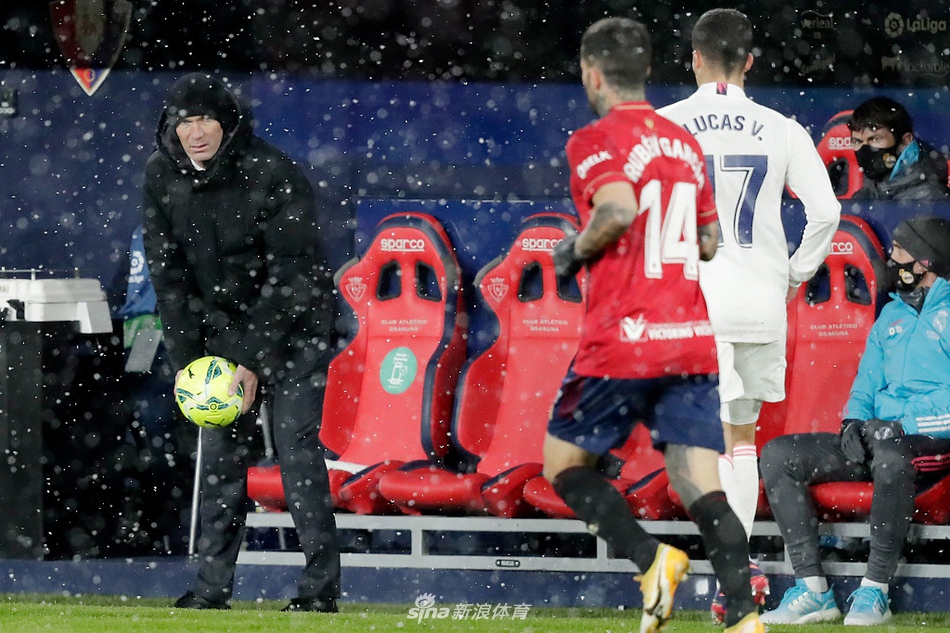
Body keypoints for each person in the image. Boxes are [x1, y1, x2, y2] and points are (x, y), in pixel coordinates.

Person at [545, 17, 764, 633]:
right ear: (644, 71)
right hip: (689, 339)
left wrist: (575, 251)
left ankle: (652, 560)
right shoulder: (682, 143)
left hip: (625, 338)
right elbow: (710, 241)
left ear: (592, 75)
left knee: (562, 466)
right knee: (699, 484)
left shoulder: (595, 139)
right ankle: (743, 615)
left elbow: (617, 207)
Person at [657, 8, 841, 622]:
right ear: (750, 62)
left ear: (694, 59)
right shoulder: (781, 128)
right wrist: (791, 275)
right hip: (759, 303)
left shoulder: (663, 126)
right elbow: (827, 214)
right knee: (740, 438)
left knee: (695, 443)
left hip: (692, 305)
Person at [142, 73, 341, 612]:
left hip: (296, 330)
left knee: (297, 455)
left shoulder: (274, 172)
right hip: (221, 335)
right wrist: (191, 367)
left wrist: (250, 359)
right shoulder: (160, 176)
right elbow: (170, 280)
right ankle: (210, 591)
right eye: (184, 122)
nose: (195, 132)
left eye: (205, 120)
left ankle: (319, 593)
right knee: (220, 461)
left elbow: (294, 275)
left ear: (227, 124)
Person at [760, 216, 950, 626]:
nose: (891, 259)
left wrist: (901, 424)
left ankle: (874, 590)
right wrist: (853, 422)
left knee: (891, 457)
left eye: (900, 251)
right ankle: (813, 591)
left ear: (925, 262)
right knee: (779, 455)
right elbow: (866, 382)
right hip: (879, 436)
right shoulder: (891, 315)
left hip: (930, 441)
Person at [848, 96, 950, 200]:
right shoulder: (864, 195)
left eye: (875, 139)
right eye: (857, 141)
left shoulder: (932, 198)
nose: (864, 149)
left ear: (905, 141)